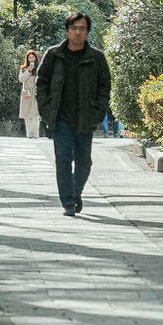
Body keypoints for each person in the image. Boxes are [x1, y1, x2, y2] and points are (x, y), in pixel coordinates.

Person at [35, 13, 112, 215]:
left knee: (84, 162)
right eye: (74, 28)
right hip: (60, 118)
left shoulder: (96, 58)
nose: (78, 32)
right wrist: (45, 108)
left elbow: (104, 88)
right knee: (62, 160)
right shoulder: (53, 55)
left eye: (82, 28)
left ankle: (75, 192)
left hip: (85, 118)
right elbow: (41, 83)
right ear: (67, 30)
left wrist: (98, 112)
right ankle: (68, 202)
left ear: (87, 32)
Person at [17, 48, 40, 139]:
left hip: (36, 94)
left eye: (33, 57)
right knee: (27, 116)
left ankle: (36, 134)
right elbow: (21, 79)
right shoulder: (23, 68)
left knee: (35, 115)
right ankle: (29, 135)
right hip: (27, 94)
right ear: (27, 59)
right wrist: (29, 70)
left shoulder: (40, 68)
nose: (31, 59)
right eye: (29, 58)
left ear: (35, 58)